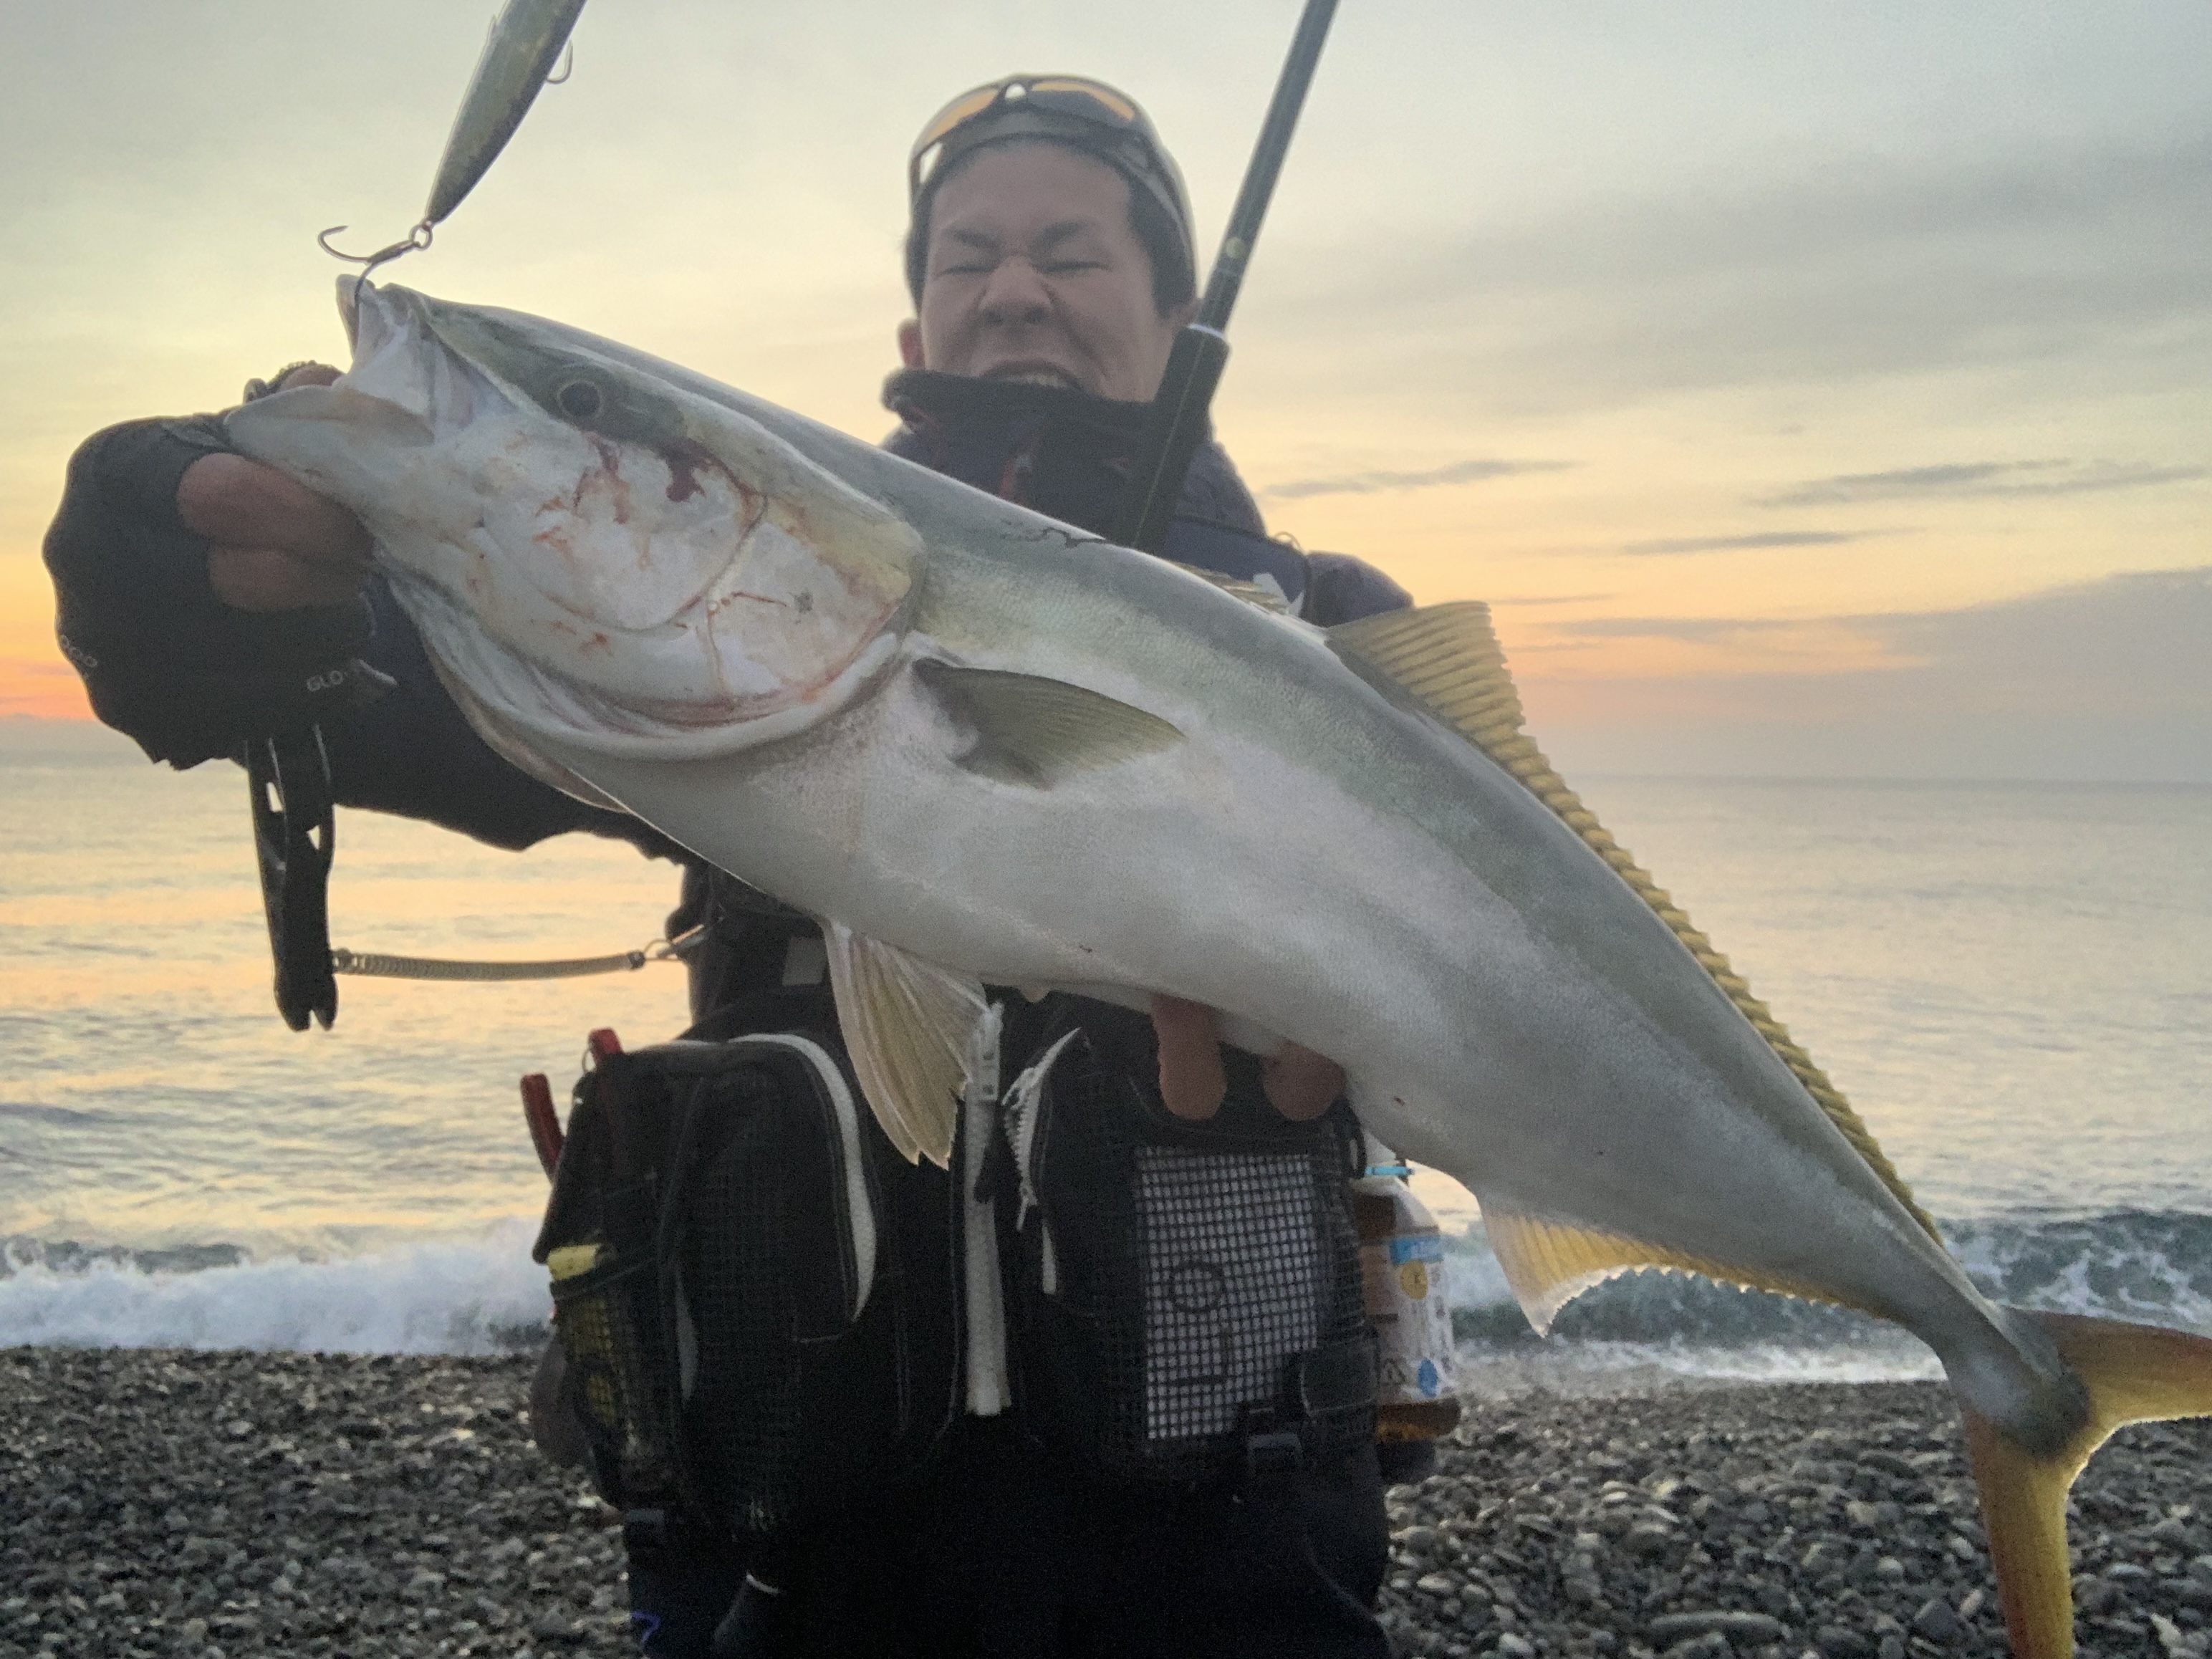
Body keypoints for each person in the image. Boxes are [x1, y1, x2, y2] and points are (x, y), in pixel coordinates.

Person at [44, 74, 1417, 1658]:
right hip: (793, 1537)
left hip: (1230, 1549)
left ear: (1177, 319)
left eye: (1069, 251)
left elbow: (1516, 981)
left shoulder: (1331, 634)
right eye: (963, 259)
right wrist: (183, 602)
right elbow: (364, 694)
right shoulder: (723, 621)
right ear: (914, 336)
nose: (1011, 288)